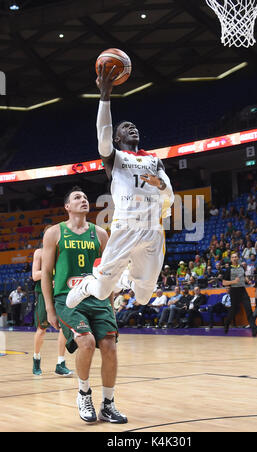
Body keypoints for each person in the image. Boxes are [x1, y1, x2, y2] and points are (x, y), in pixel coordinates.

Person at [66, 62, 174, 312]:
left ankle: (125, 279)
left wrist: (161, 184)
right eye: (125, 128)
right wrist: (105, 96)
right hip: (125, 226)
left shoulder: (153, 160)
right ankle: (85, 286)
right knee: (103, 290)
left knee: (145, 297)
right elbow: (102, 136)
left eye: (134, 127)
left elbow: (169, 193)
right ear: (118, 139)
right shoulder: (114, 158)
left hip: (152, 230)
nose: (132, 128)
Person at [41, 186, 127, 424]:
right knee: (86, 342)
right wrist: (49, 308)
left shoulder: (100, 234)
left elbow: (107, 274)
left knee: (109, 345)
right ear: (67, 206)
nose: (83, 200)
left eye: (86, 198)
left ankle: (108, 404)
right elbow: (47, 272)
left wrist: (110, 306)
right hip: (67, 298)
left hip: (97, 299)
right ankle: (84, 393)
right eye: (77, 198)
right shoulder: (54, 233)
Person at [32, 235, 73, 377]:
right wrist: (50, 276)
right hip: (43, 293)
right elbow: (35, 275)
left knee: (64, 327)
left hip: (60, 292)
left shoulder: (62, 253)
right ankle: (36, 358)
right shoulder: (39, 253)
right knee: (42, 328)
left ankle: (60, 363)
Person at [222, 253, 257, 337]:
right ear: (231, 259)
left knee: (249, 309)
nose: (235, 258)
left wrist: (248, 281)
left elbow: (244, 276)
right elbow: (224, 282)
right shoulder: (228, 269)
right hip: (234, 291)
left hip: (243, 290)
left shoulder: (241, 267)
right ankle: (227, 323)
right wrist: (233, 282)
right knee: (233, 311)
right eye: (233, 257)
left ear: (238, 258)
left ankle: (254, 329)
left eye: (236, 257)